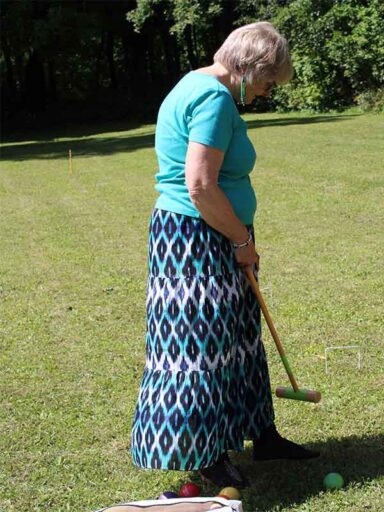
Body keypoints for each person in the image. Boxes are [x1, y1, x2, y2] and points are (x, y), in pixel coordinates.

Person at [130, 22, 318, 489]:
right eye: (268, 81)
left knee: (238, 335)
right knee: (201, 345)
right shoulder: (214, 99)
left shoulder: (194, 82)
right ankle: (207, 454)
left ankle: (261, 433)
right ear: (250, 67)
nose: (267, 91)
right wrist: (240, 239)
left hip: (209, 230)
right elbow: (200, 184)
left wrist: (238, 236)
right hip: (198, 237)